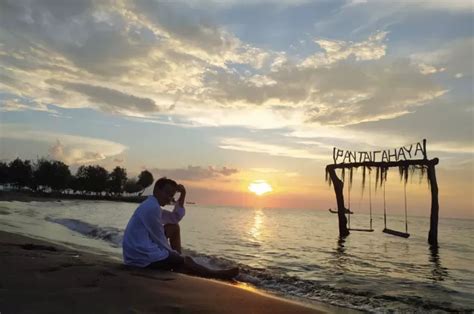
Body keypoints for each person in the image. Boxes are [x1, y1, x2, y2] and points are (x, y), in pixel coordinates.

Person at [122, 177, 239, 280]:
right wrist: (177, 257)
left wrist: (183, 194)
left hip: (136, 253)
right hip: (140, 257)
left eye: (172, 195)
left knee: (174, 227)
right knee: (184, 259)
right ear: (157, 190)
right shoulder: (152, 208)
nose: (169, 198)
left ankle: (179, 265)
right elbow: (159, 239)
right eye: (167, 193)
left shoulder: (152, 204)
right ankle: (214, 274)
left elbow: (174, 217)